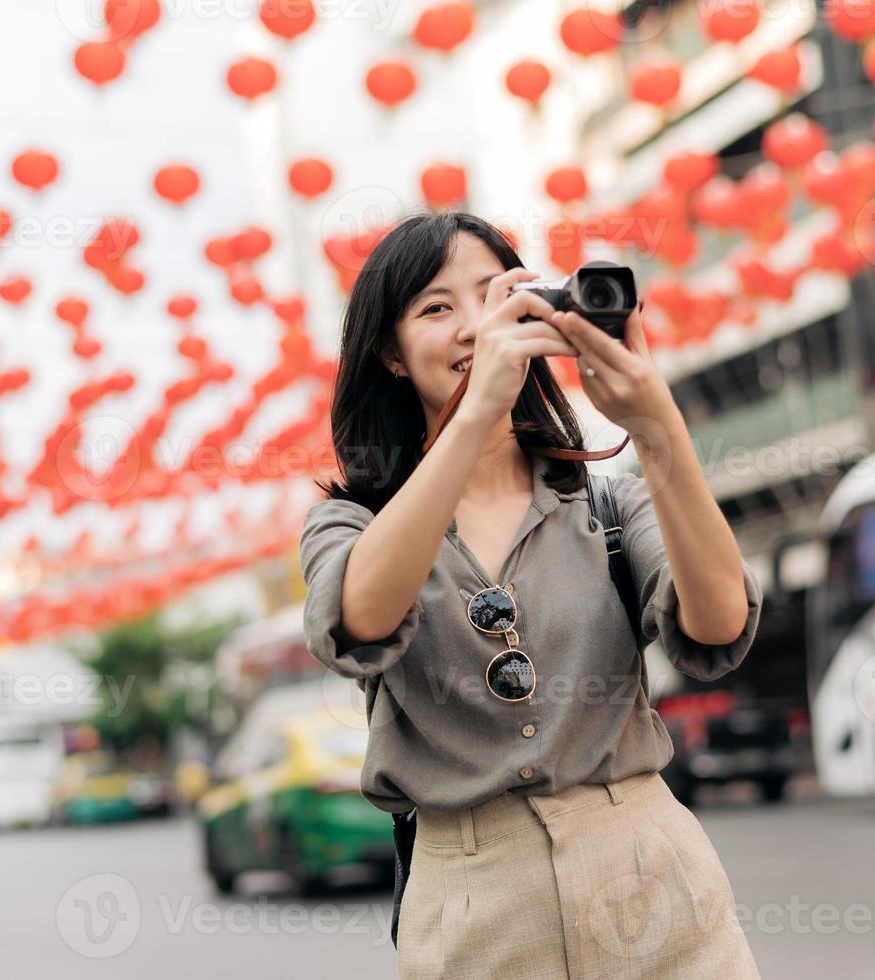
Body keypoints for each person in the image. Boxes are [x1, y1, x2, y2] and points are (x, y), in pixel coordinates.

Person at [299, 211, 763, 979]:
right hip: (473, 904)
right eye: (437, 308)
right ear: (387, 352)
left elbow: (717, 625)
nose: (475, 327)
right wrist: (477, 409)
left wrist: (655, 423)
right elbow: (359, 617)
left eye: (494, 295)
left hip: (653, 878)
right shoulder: (351, 524)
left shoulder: (607, 504)